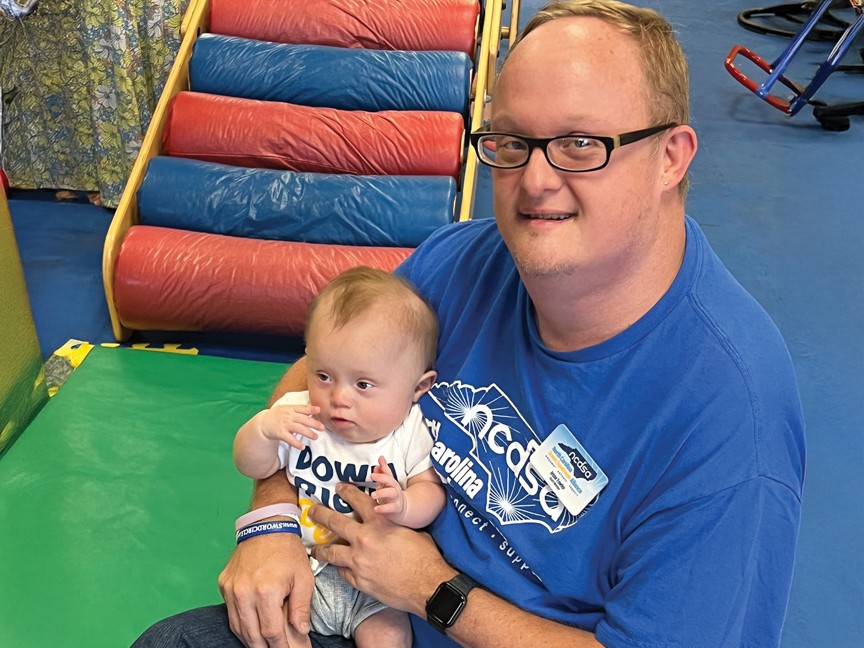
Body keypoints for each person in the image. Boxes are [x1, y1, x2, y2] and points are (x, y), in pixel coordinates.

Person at [134, 2, 805, 647]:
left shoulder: (730, 416)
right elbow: (316, 374)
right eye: (512, 141)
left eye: (579, 144)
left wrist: (435, 590)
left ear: (671, 157)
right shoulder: (462, 262)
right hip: (362, 602)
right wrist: (272, 520)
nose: (535, 181)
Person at [231, 266, 444, 648]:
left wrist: (405, 505)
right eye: (324, 375)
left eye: (363, 384)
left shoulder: (410, 431)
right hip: (305, 569)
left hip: (375, 589)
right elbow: (252, 465)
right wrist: (263, 430)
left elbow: (431, 490)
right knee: (273, 627)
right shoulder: (300, 412)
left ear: (418, 387)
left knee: (390, 636)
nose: (339, 398)